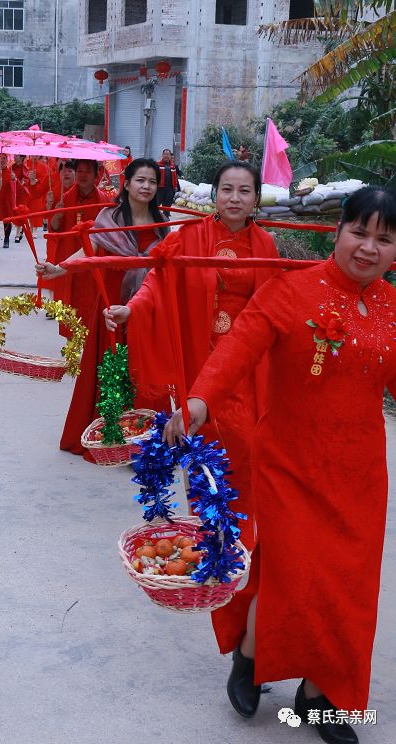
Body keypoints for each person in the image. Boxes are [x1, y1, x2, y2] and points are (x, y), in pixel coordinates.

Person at [161, 186, 396, 744]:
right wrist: (199, 401)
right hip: (290, 462)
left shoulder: (392, 307)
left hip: (360, 471)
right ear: (337, 230)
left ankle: (321, 695)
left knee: (349, 588)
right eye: (359, 232)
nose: (368, 247)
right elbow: (238, 348)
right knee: (295, 574)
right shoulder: (291, 291)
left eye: (383, 239)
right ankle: (250, 653)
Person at [104, 161, 278, 555]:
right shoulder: (190, 237)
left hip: (246, 369)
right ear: (215, 194)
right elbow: (157, 282)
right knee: (201, 451)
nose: (235, 198)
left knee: (245, 453)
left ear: (255, 199)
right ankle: (205, 540)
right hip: (200, 364)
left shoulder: (266, 246)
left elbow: (274, 307)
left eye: (244, 191)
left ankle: (239, 543)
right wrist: (131, 309)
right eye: (227, 189)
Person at [37, 158, 170, 458]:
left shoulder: (164, 226)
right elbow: (89, 252)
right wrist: (58, 269)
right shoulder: (108, 218)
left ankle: (147, 442)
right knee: (111, 368)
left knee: (143, 370)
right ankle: (109, 436)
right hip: (111, 305)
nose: (146, 186)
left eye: (152, 182)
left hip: (145, 309)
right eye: (140, 180)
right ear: (126, 184)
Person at [48, 159, 110, 331]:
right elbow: (53, 232)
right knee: (70, 303)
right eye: (80, 171)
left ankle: (90, 347)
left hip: (93, 260)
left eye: (87, 171)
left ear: (96, 174)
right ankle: (72, 350)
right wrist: (56, 219)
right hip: (69, 257)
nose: (83, 175)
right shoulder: (64, 199)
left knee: (92, 304)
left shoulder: (103, 201)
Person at [0, 153, 14, 249]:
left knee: (7, 220)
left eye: (4, 158)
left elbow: (15, 189)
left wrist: (14, 180)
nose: (2, 160)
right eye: (0, 158)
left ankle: (6, 238)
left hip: (6, 200)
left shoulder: (11, 173)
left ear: (7, 160)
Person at [11, 154, 30, 243]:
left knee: (20, 212)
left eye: (17, 156)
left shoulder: (25, 168)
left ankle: (17, 234)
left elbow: (25, 182)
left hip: (22, 194)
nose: (14, 157)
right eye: (14, 155)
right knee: (15, 213)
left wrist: (17, 181)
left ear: (22, 157)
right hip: (14, 193)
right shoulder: (12, 167)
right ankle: (21, 228)